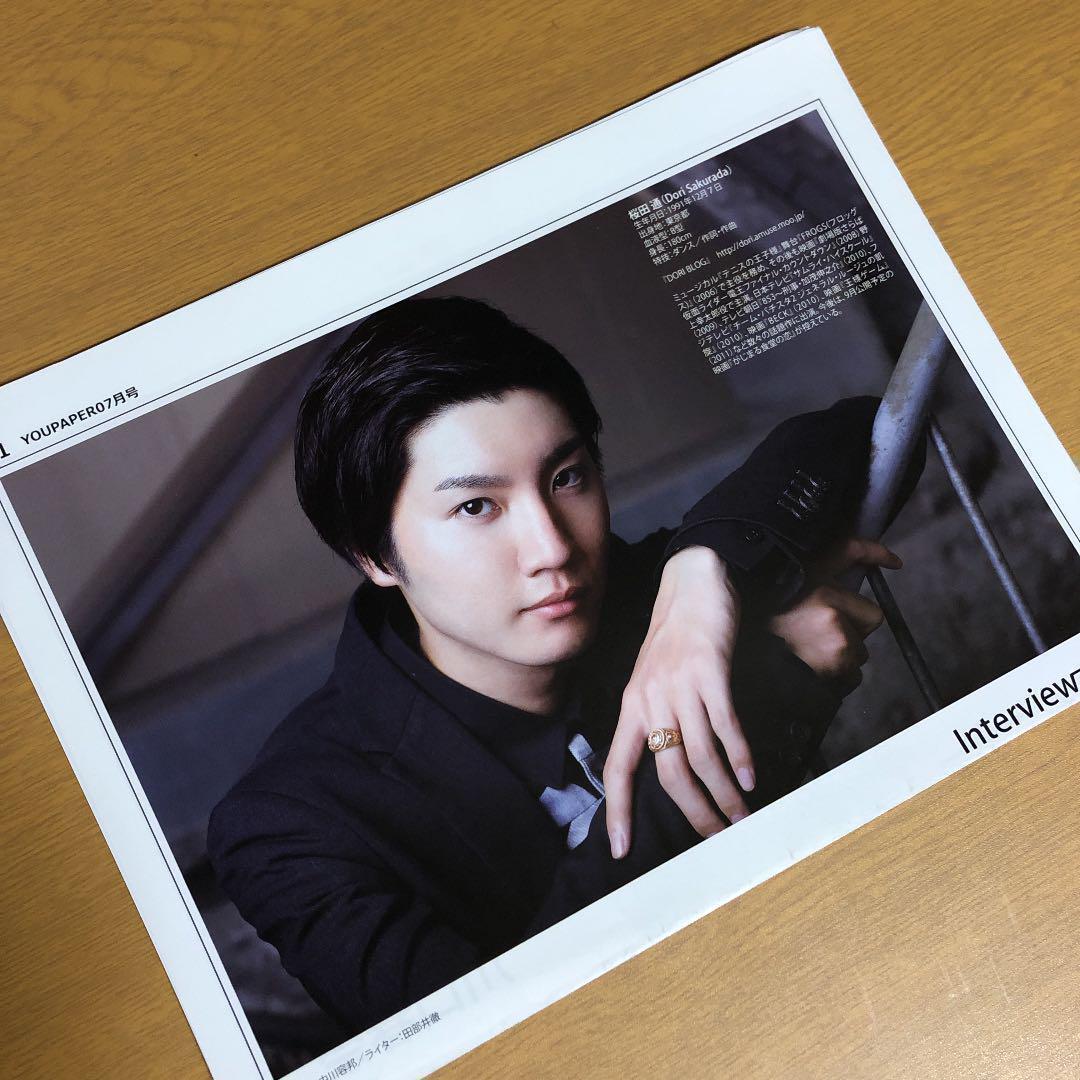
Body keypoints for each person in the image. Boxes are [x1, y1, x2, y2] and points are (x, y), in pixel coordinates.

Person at [207, 296, 915, 1032]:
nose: (552, 549)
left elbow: (873, 429)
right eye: (477, 507)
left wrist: (703, 573)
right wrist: (761, 681)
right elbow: (499, 1040)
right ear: (373, 554)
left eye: (567, 478)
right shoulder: (286, 827)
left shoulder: (650, 592)